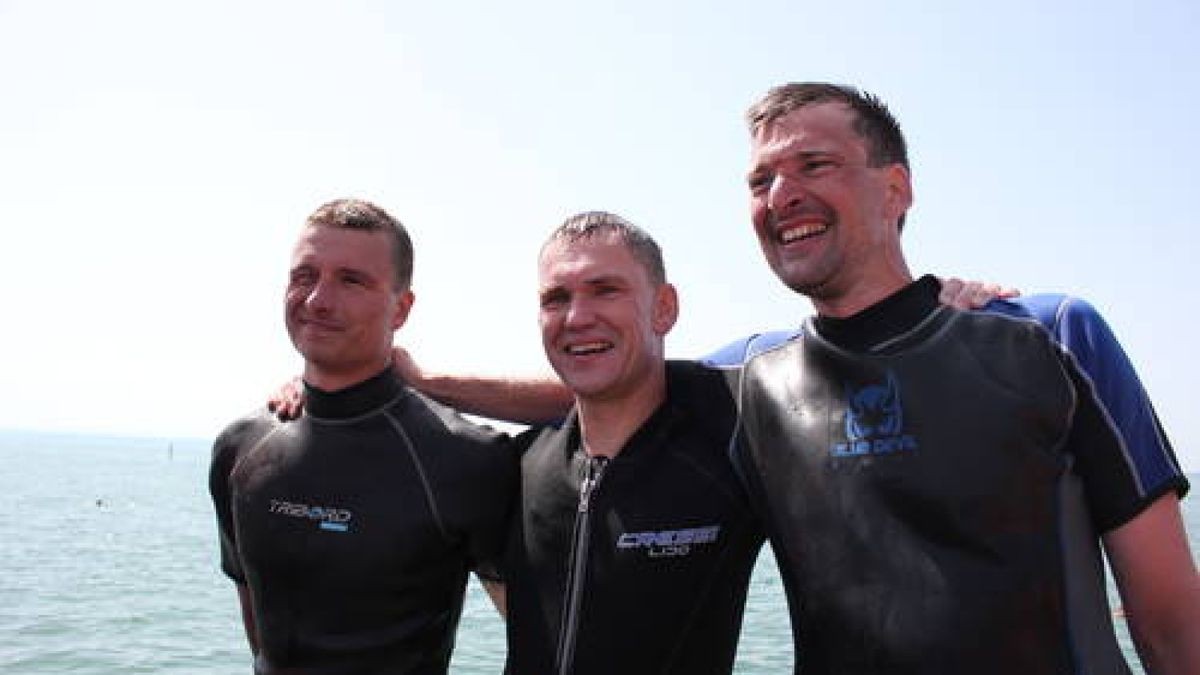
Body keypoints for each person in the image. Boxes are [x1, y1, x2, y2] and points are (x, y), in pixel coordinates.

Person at [725, 82, 1198, 674]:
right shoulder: (745, 383)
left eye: (813, 165)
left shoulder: (1052, 337)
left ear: (896, 189)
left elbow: (1173, 626)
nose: (781, 195)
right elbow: (597, 391)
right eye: (758, 181)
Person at [209, 198, 516, 674]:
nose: (317, 300)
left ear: (402, 308)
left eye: (351, 280)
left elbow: (540, 634)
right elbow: (260, 634)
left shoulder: (465, 458)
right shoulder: (240, 449)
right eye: (304, 276)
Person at [502, 212, 764, 674]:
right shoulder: (516, 467)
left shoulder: (734, 449)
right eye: (556, 298)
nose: (577, 317)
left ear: (664, 308)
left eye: (606, 290)